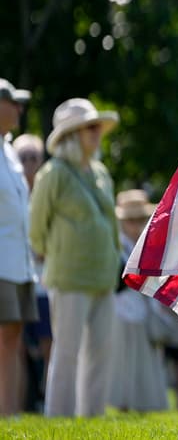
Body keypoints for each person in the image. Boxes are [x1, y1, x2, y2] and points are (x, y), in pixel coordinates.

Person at [29, 97, 120, 417]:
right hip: (68, 277)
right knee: (66, 352)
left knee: (101, 352)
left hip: (103, 276)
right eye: (89, 128)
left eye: (97, 127)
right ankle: (59, 417)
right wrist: (49, 253)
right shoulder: (53, 173)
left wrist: (114, 260)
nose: (97, 133)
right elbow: (36, 224)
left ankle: (91, 417)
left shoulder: (100, 172)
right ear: (72, 134)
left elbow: (110, 223)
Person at [107, 189, 169, 412]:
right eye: (131, 221)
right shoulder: (115, 246)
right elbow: (115, 283)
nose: (135, 225)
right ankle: (123, 406)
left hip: (146, 313)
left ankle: (145, 407)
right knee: (123, 367)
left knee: (146, 367)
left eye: (140, 220)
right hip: (122, 313)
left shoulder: (146, 246)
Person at [0, 79, 37, 416]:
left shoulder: (9, 151)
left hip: (18, 263)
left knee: (13, 339)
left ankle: (8, 413)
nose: (19, 110)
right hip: (0, 262)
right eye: (14, 103)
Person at [13, 133, 49, 413]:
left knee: (50, 346)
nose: (28, 163)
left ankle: (48, 401)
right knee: (18, 348)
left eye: (33, 157)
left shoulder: (47, 192)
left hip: (46, 285)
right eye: (22, 157)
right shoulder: (11, 192)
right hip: (18, 280)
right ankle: (22, 405)